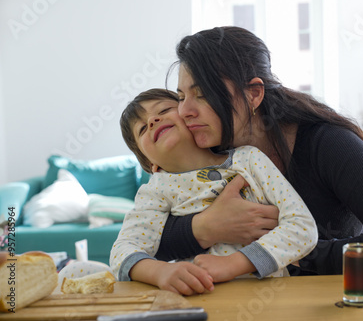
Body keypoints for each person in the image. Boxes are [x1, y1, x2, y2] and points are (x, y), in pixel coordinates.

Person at [155, 26, 363, 276]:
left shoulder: (326, 144)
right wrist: (206, 227)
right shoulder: (207, 151)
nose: (185, 111)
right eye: (181, 97)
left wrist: (277, 255)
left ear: (254, 93)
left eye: (202, 94)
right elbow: (145, 238)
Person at [110, 89, 318, 294]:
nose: (153, 120)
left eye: (164, 110)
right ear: (150, 163)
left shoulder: (250, 159)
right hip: (202, 299)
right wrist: (161, 272)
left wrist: (234, 263)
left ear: (191, 118)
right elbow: (122, 252)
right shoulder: (155, 191)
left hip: (269, 298)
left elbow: (302, 228)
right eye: (142, 129)